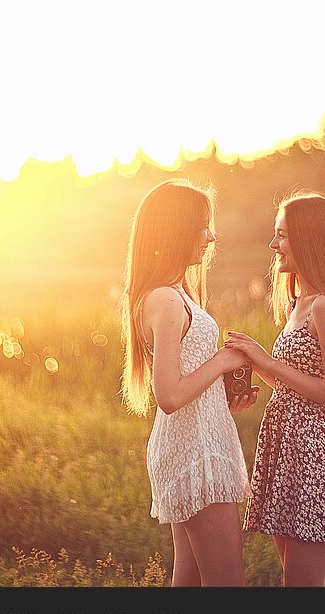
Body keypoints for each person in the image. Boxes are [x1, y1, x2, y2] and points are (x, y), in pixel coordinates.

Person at [224, 192, 325, 587]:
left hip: (312, 452)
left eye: (282, 235)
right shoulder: (297, 303)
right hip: (283, 445)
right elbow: (294, 384)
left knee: (302, 583)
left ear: (309, 239)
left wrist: (266, 361)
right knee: (295, 580)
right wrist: (253, 364)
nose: (274, 245)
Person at [120, 179, 257, 586]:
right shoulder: (163, 299)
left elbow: (184, 380)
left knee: (191, 582)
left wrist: (221, 395)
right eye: (202, 226)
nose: (211, 236)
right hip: (192, 451)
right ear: (175, 230)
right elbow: (169, 395)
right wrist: (221, 362)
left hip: (196, 441)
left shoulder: (176, 292)